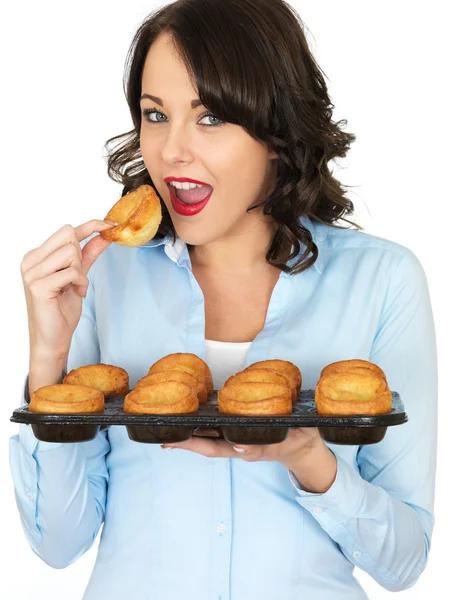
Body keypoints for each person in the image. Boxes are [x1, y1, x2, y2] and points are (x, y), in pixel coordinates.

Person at [9, 1, 437, 599]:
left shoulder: (382, 280)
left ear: (277, 132)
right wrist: (48, 360)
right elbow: (57, 544)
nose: (171, 152)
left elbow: (405, 561)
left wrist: (310, 460)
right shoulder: (104, 279)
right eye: (156, 115)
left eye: (209, 118)